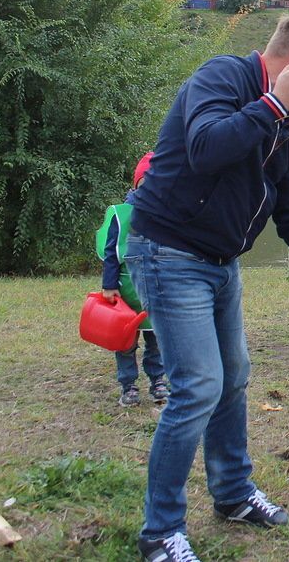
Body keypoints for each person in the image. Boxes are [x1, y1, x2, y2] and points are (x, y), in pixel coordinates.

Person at [124, 15, 289, 562]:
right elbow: (206, 148)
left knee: (232, 377)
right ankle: (160, 532)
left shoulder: (283, 124)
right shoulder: (223, 79)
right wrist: (274, 105)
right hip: (169, 252)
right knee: (198, 386)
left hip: (218, 261)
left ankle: (233, 494)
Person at [95, 150, 168, 408]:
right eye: (145, 184)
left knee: (156, 338)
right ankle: (128, 385)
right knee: (125, 341)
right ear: (136, 185)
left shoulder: (166, 212)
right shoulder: (120, 214)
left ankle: (158, 380)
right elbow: (111, 253)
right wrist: (109, 285)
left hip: (155, 288)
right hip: (125, 290)